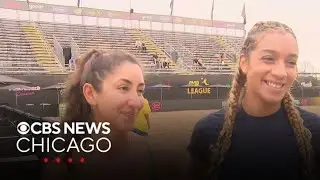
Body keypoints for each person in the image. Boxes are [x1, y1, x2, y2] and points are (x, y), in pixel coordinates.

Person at [187, 21, 320, 180]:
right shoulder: (207, 130)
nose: (281, 72)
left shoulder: (314, 130)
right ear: (244, 63)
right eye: (269, 58)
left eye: (291, 62)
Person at [42, 49, 150, 180]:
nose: (137, 103)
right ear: (90, 94)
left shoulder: (150, 155)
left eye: (140, 91)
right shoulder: (63, 169)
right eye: (123, 88)